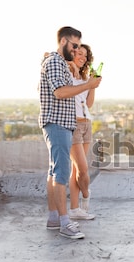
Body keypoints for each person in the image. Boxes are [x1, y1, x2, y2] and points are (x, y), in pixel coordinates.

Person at [39, 26, 101, 239]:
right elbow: (60, 92)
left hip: (64, 124)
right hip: (58, 124)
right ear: (64, 41)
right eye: (75, 46)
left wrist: (89, 84)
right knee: (62, 174)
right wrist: (89, 85)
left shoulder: (58, 63)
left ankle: (54, 218)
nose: (76, 51)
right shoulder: (55, 61)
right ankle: (66, 223)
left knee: (54, 172)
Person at [67, 44, 96, 220]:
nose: (82, 57)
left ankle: (74, 209)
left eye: (85, 55)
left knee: (76, 170)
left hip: (87, 123)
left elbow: (89, 103)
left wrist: (92, 84)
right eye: (79, 53)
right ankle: (86, 194)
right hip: (73, 124)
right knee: (83, 170)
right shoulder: (66, 73)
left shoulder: (84, 77)